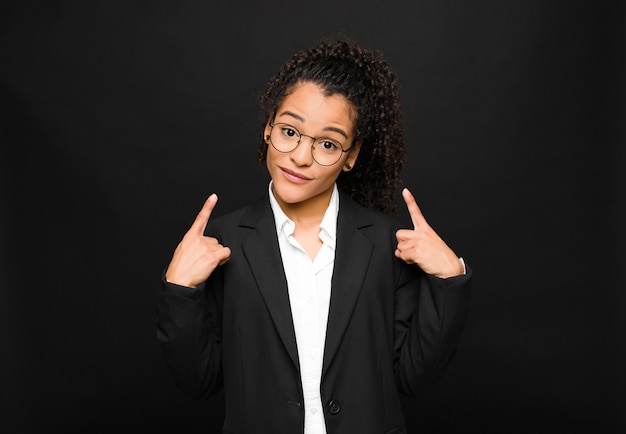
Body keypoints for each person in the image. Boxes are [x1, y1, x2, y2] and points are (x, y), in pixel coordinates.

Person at [156, 35, 472, 434]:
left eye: (327, 143)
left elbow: (414, 378)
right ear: (269, 127)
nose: (301, 157)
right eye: (289, 132)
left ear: (352, 155)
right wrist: (179, 290)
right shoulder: (220, 243)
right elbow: (198, 382)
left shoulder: (387, 244)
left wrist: (449, 279)